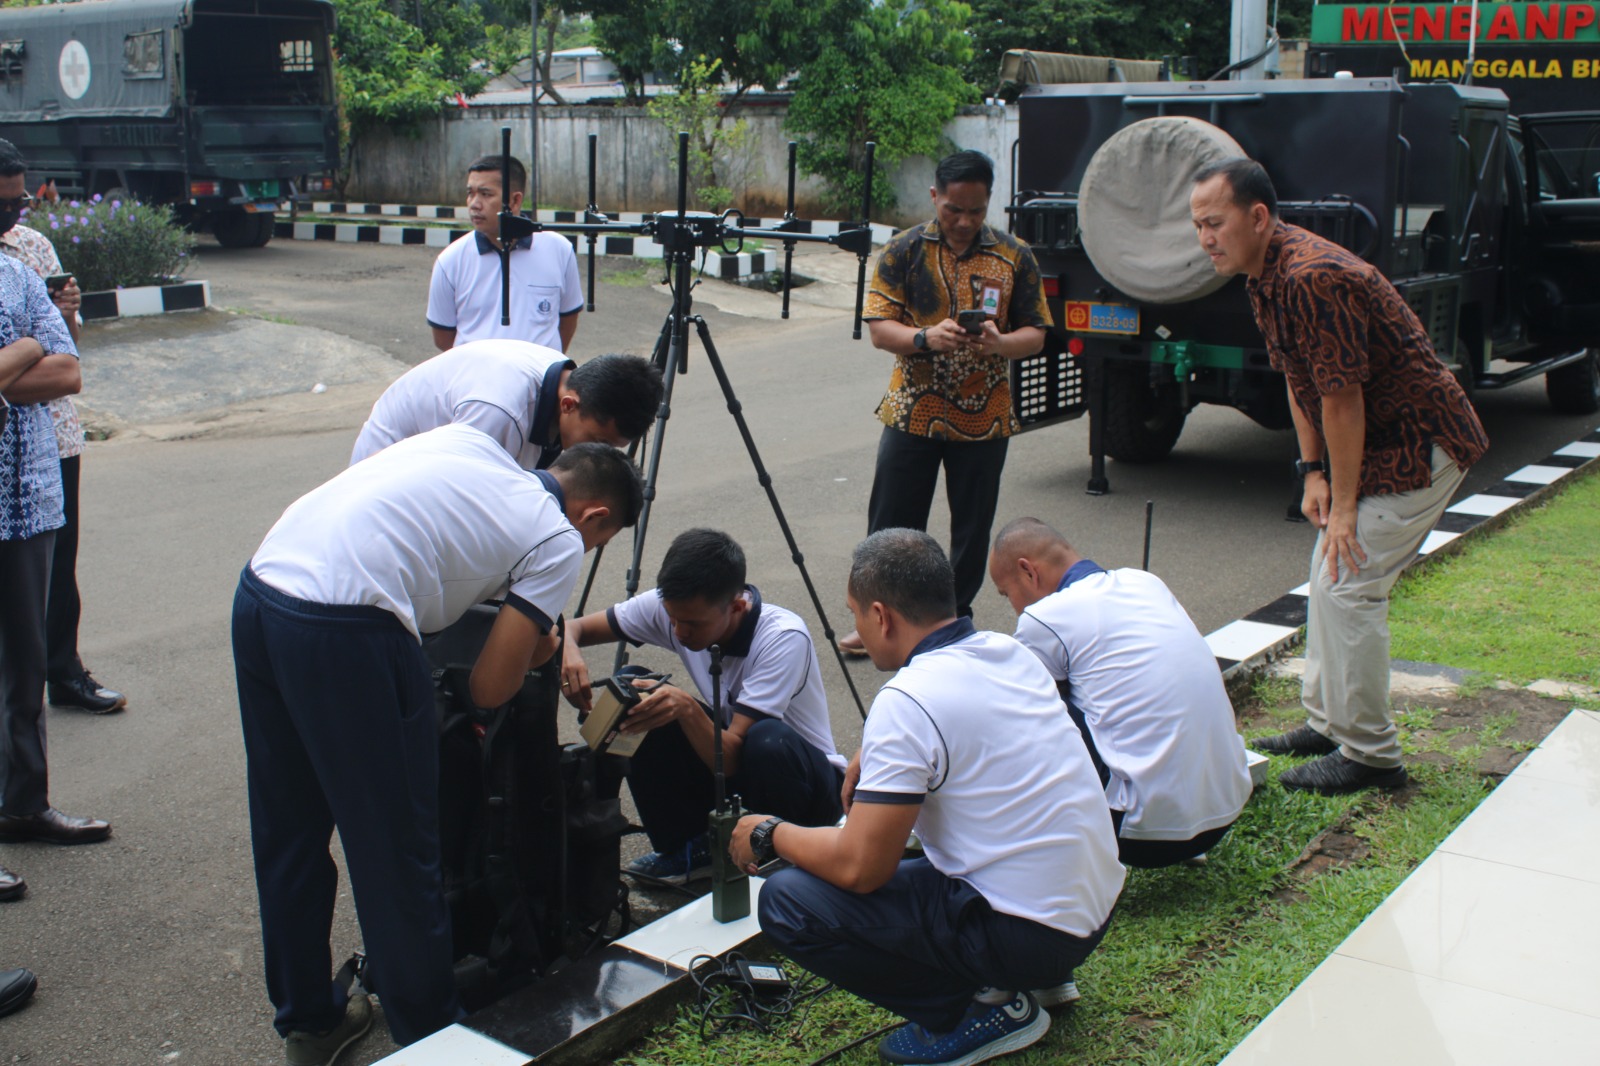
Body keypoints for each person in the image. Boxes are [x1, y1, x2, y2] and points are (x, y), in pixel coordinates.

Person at [232, 428, 642, 1059]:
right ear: (596, 516)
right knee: (397, 854)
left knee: (289, 829)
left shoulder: (470, 445)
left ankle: (310, 1024)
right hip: (351, 628)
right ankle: (435, 1041)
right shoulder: (558, 538)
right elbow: (488, 686)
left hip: (263, 590)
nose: (586, 549)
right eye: (599, 542)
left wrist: (541, 630)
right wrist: (545, 642)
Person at [736, 530, 1124, 1066]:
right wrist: (874, 750)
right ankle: (1039, 978)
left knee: (788, 901)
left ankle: (975, 1010)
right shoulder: (1009, 651)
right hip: (1090, 908)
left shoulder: (907, 698)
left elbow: (861, 868)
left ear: (882, 616)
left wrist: (768, 831)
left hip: (1030, 933)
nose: (857, 630)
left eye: (856, 615)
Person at [1191, 158, 1488, 795]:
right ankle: (1329, 724)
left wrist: (1345, 503)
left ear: (1259, 217)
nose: (1206, 238)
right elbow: (1301, 383)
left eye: (1215, 222)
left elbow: (1342, 395)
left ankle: (1371, 755)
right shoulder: (1262, 275)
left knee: (1348, 584)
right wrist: (1312, 471)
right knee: (1329, 578)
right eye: (1198, 226)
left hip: (1419, 443)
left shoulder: (1311, 276)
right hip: (1376, 444)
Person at [838, 150, 1051, 657]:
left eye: (976, 211)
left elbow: (1037, 334)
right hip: (912, 412)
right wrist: (924, 337)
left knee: (972, 530)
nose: (964, 221)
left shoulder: (1014, 255)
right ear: (936, 197)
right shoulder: (903, 250)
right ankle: (877, 620)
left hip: (986, 415)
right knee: (891, 525)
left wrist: (1001, 344)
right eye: (954, 209)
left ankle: (951, 622)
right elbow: (878, 329)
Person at [560, 528, 845, 885]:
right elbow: (571, 629)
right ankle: (689, 847)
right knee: (637, 689)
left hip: (802, 786)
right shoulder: (677, 606)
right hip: (736, 770)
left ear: (737, 606)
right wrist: (569, 654)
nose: (678, 631)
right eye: (671, 617)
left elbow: (737, 756)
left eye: (692, 623)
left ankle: (781, 855)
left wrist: (687, 709)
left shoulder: (782, 638)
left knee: (765, 738)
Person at [989, 518, 1253, 867]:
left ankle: (1037, 851)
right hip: (1227, 808)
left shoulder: (1043, 619)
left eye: (1007, 594)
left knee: (1025, 711)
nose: (1014, 607)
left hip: (1140, 838)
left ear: (1028, 572)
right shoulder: (1145, 582)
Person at [0, 243, 111, 905]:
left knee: (25, 666)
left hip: (27, 499)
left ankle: (23, 804)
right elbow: (40, 356)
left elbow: (67, 371)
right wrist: (22, 353)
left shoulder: (13, 271)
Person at [0, 140, 124, 714]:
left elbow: (65, 362)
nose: (12, 214)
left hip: (52, 433)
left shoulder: (31, 249)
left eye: (17, 200)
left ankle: (62, 671)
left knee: (55, 560)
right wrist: (28, 347)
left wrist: (66, 311)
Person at [349, 340, 661, 468]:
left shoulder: (567, 380)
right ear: (569, 405)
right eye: (598, 440)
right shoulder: (500, 414)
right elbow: (458, 497)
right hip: (391, 465)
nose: (598, 453)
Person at [426, 154, 582, 353]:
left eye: (485, 194)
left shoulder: (559, 250)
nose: (474, 203)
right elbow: (443, 337)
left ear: (515, 200)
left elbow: (568, 318)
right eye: (470, 193)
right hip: (478, 380)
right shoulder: (450, 261)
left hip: (541, 380)